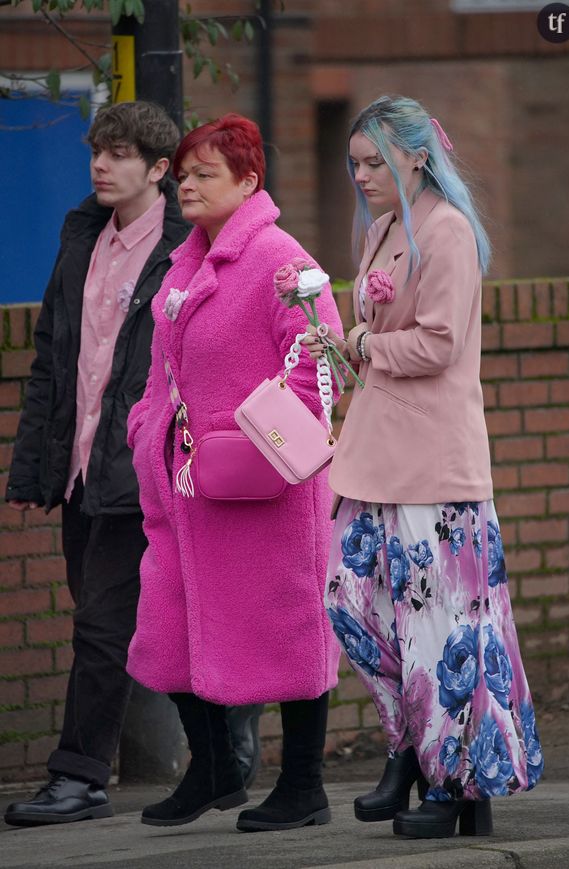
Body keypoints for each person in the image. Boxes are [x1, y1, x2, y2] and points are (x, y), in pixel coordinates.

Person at [3, 102, 261, 827]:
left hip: (148, 465)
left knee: (102, 625)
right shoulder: (81, 234)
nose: (100, 165)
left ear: (157, 169)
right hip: (84, 466)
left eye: (119, 154)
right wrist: (34, 468)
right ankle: (230, 742)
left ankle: (78, 774)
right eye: (97, 152)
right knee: (148, 619)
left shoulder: (187, 246)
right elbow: (55, 356)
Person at [304, 95, 544, 839]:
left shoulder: (448, 231)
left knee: (445, 629)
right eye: (356, 162)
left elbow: (438, 343)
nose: (362, 174)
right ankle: (412, 746)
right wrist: (345, 345)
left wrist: (367, 344)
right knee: (350, 595)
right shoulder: (381, 230)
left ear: (417, 155)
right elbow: (387, 338)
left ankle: (454, 781)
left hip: (434, 466)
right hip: (376, 456)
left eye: (376, 160)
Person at [125, 113, 343, 833]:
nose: (186, 185)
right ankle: (215, 769)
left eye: (203, 174)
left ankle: (304, 785)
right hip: (186, 492)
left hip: (264, 492)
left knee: (286, 630)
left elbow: (320, 358)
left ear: (249, 181)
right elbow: (165, 371)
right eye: (182, 175)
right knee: (171, 626)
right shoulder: (184, 263)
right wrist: (145, 433)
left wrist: (272, 450)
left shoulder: (281, 258)